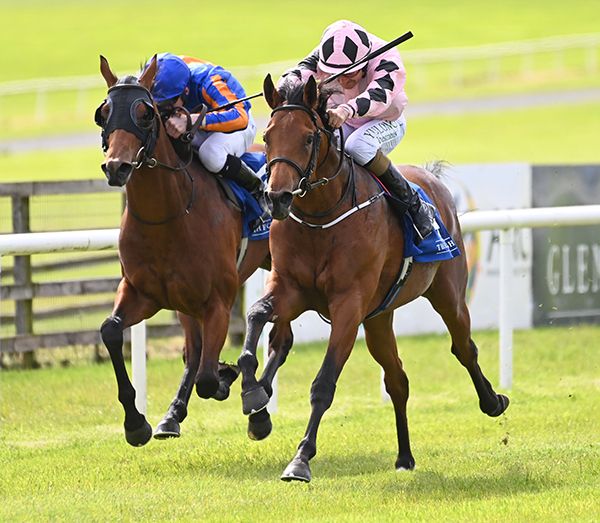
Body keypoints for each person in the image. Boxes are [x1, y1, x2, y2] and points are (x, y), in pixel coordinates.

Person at [279, 20, 436, 240]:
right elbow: (295, 75)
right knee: (318, 144)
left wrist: (346, 110)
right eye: (337, 75)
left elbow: (378, 95)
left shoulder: (387, 57)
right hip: (344, 121)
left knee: (358, 146)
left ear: (363, 63)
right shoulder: (327, 53)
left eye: (349, 74)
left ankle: (413, 204)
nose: (343, 81)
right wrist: (283, 91)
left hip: (385, 120)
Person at [148, 53, 265, 205]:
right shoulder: (166, 71)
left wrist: (192, 120)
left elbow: (240, 117)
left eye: (168, 103)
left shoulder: (210, 80)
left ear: (186, 91)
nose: (165, 109)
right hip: (198, 124)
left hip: (237, 127)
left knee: (210, 153)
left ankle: (258, 188)